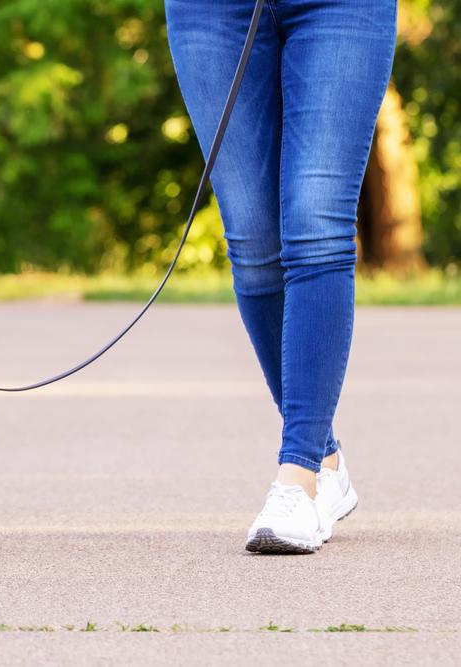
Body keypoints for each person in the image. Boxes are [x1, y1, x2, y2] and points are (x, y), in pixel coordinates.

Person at [164, 0, 396, 553]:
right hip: (211, 12)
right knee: (253, 239)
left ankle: (297, 475)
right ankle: (325, 458)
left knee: (316, 220)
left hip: (341, 9)